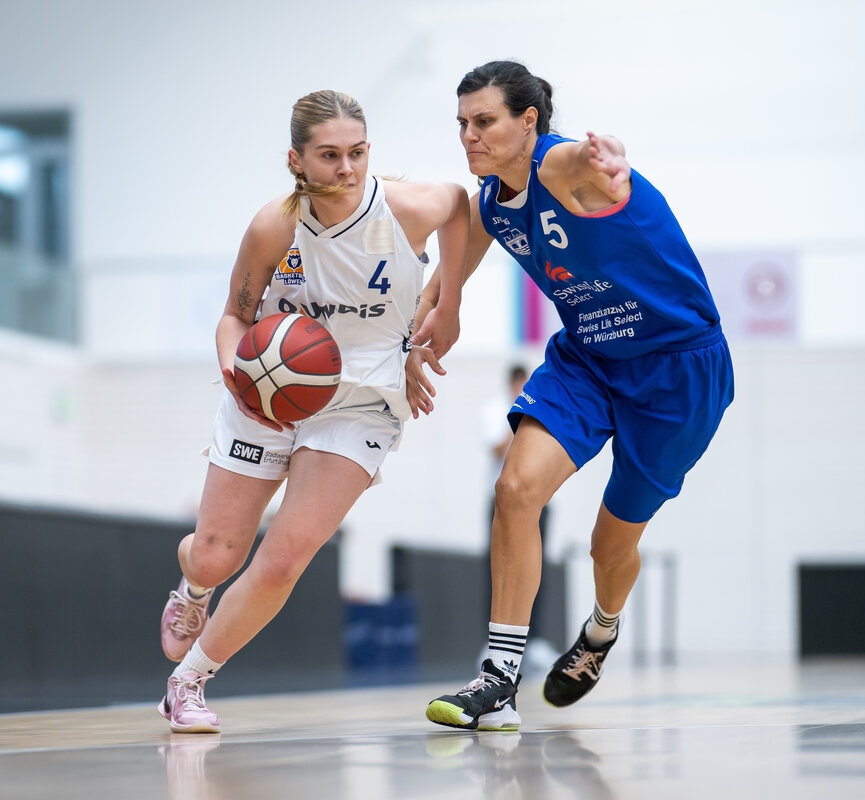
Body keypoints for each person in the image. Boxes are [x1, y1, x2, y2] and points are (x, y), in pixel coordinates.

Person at [407, 60, 735, 732]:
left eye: (485, 121)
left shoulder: (560, 167)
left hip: (677, 371)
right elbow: (448, 273)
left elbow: (585, 169)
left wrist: (606, 165)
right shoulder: (492, 202)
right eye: (463, 124)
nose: (470, 136)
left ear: (529, 122)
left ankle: (600, 632)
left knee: (607, 546)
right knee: (515, 489)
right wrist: (439, 314)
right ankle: (497, 680)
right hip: (588, 357)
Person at [157, 89, 468, 733]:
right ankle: (193, 589)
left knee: (286, 556)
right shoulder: (274, 225)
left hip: (359, 400)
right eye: (329, 156)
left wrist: (444, 306)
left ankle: (187, 683)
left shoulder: (404, 208)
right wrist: (236, 373)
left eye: (357, 153)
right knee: (216, 555)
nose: (346, 169)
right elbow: (236, 317)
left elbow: (462, 205)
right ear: (296, 160)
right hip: (270, 389)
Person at [480, 364, 555, 668]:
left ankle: (533, 640)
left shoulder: (544, 407)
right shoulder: (495, 410)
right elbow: (497, 451)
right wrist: (520, 422)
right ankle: (492, 642)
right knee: (498, 570)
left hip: (538, 500)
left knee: (538, 569)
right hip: (500, 502)